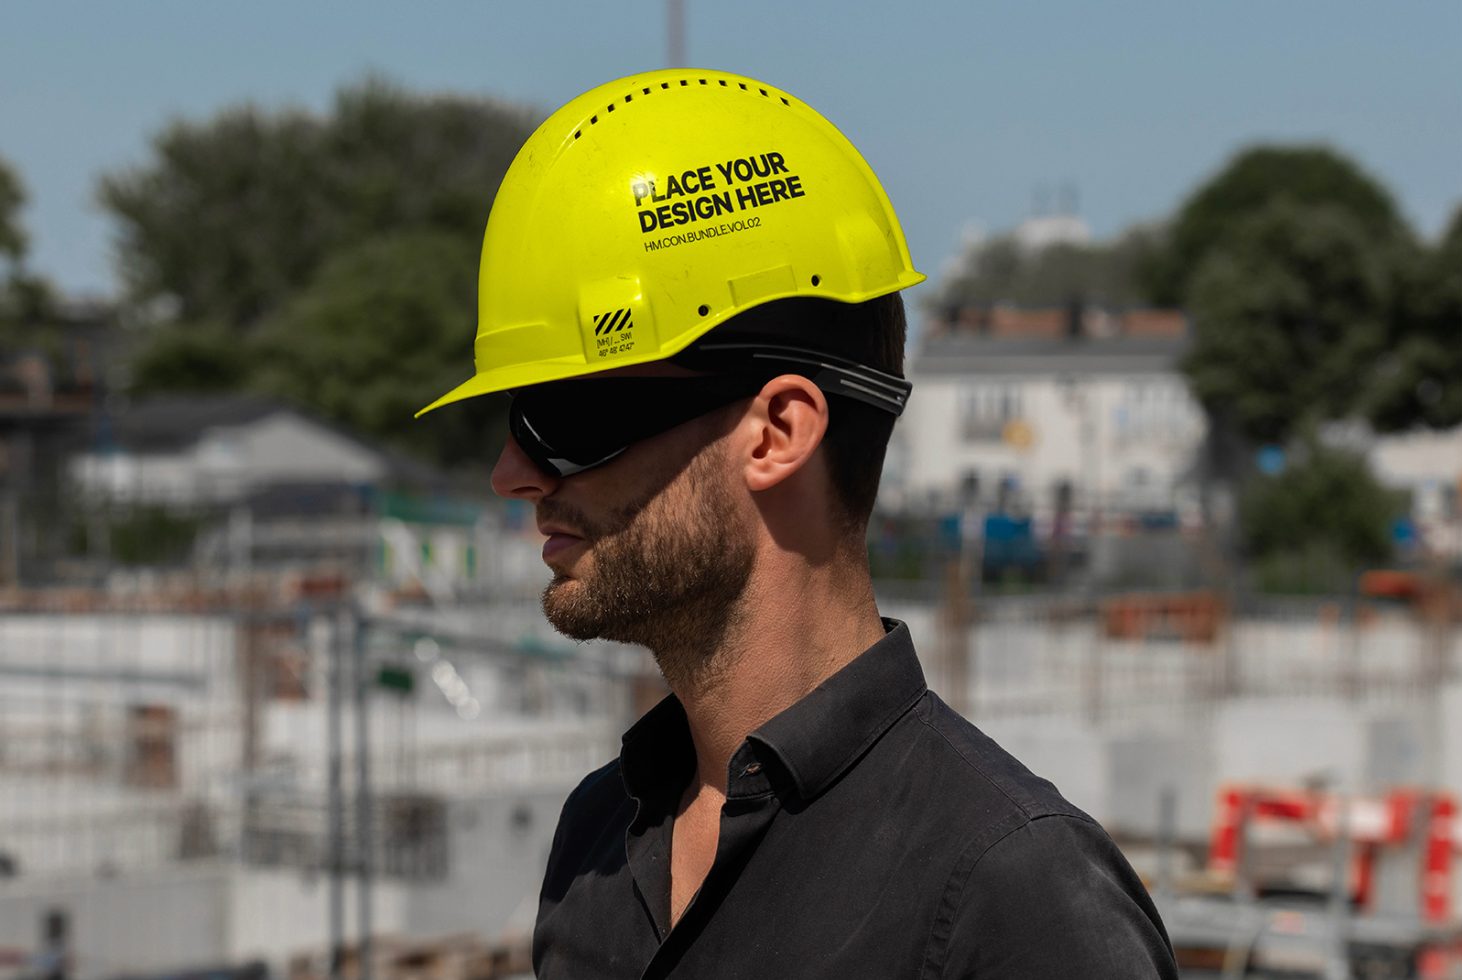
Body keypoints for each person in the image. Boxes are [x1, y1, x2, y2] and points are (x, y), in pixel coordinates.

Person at [420, 68, 1176, 979]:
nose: (513, 474)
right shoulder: (599, 838)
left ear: (777, 432)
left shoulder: (1010, 895)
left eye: (568, 418)